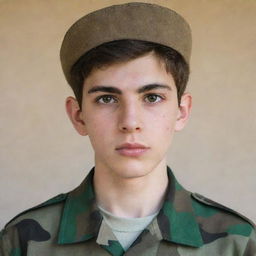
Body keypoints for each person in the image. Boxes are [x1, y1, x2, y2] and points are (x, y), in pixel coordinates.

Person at [0, 2, 255, 256]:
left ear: (182, 111)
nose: (130, 121)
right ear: (78, 116)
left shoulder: (237, 243)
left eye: (152, 97)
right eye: (107, 98)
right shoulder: (23, 240)